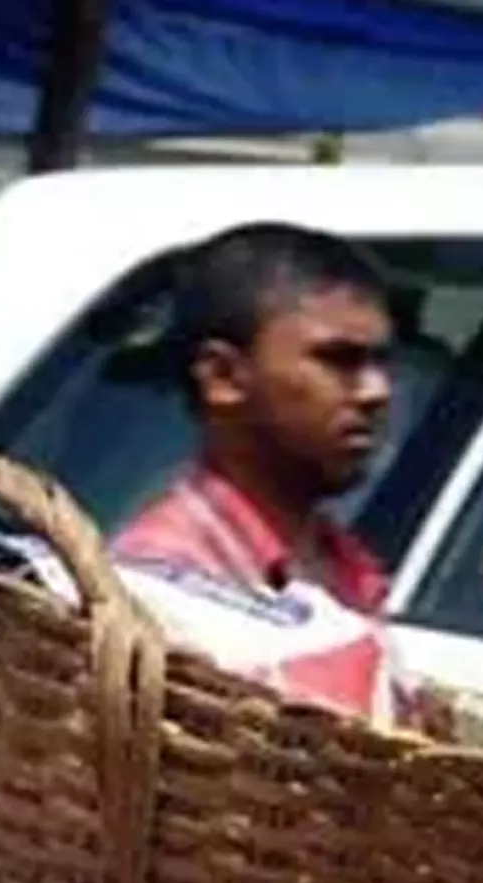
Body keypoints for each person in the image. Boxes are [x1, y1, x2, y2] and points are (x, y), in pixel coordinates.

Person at [115, 222, 400, 716]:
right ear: (223, 376)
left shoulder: (345, 567)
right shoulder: (163, 587)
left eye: (380, 361)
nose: (377, 391)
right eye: (339, 359)